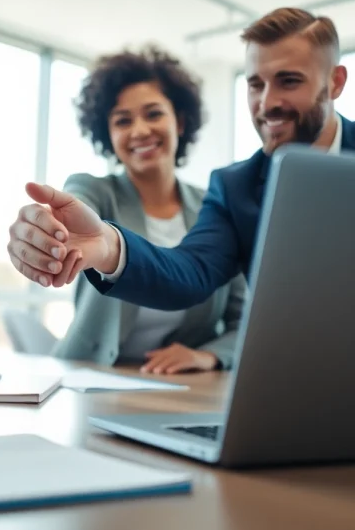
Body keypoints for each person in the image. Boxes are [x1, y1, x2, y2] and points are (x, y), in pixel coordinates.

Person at [6, 7, 355, 310]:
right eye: (255, 84)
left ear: (335, 82)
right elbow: (189, 271)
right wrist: (107, 245)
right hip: (301, 386)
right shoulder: (236, 187)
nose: (267, 103)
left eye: (289, 81)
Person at [50, 45, 247, 374]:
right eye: (122, 121)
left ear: (180, 122)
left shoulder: (217, 207)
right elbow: (75, 203)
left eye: (153, 114)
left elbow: (245, 322)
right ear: (108, 134)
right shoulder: (96, 192)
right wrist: (48, 227)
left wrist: (207, 355)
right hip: (88, 375)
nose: (139, 130)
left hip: (180, 387)